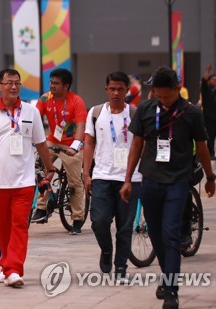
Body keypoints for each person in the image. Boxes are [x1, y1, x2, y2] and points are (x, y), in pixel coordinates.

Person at [120, 66, 216, 309]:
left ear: (177, 89)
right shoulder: (145, 109)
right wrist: (128, 179)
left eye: (167, 96)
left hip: (177, 182)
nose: (162, 100)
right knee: (156, 234)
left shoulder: (192, 113)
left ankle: (171, 291)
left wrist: (210, 176)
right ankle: (167, 274)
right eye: (158, 96)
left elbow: (202, 147)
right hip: (150, 180)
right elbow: (137, 145)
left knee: (171, 233)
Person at [0, 68, 55, 287]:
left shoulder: (31, 112)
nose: (14, 87)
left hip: (24, 182)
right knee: (3, 229)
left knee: (19, 226)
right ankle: (5, 266)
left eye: (17, 82)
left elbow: (40, 143)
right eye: (9, 83)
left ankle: (15, 270)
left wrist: (49, 167)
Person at [83, 71, 141, 283]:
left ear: (127, 91)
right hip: (102, 176)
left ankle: (121, 267)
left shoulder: (135, 113)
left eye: (120, 89)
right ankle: (106, 250)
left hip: (130, 178)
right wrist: (86, 173)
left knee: (125, 226)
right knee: (99, 221)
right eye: (112, 89)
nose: (116, 93)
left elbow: (141, 144)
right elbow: (89, 142)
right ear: (106, 89)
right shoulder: (96, 113)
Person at [31, 68, 88, 235]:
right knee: (41, 170)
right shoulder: (44, 98)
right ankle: (42, 208)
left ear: (66, 86)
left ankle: (77, 218)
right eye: (51, 82)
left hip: (71, 145)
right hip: (52, 141)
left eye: (56, 83)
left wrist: (75, 147)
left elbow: (81, 126)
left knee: (74, 182)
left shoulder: (76, 101)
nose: (52, 86)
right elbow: (34, 119)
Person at [200, 64, 216, 160]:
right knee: (210, 136)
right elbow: (204, 81)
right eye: (212, 79)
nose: (214, 81)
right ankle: (209, 155)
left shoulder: (215, 91)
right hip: (208, 117)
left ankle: (211, 153)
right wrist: (208, 71)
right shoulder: (206, 90)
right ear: (209, 80)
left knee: (213, 135)